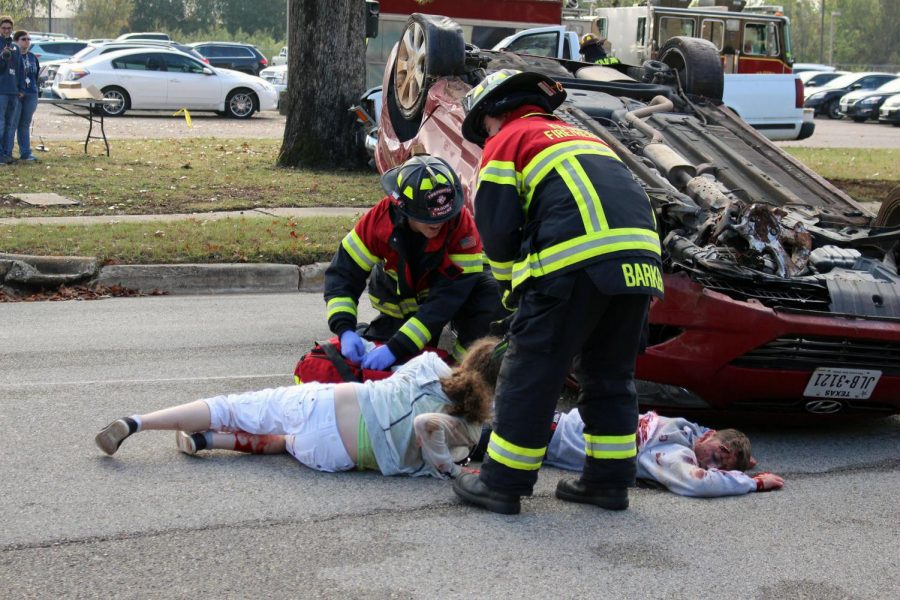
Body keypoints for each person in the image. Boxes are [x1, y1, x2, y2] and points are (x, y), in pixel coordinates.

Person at [453, 69, 664, 515]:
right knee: (610, 375)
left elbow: (496, 226)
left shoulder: (510, 140)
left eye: (483, 127)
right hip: (641, 264)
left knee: (532, 370)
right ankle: (607, 483)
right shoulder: (585, 138)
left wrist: (512, 293)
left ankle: (501, 483)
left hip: (576, 262)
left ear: (495, 111)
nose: (484, 136)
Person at [95, 337, 502, 479]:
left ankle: (138, 422)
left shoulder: (429, 364)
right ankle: (207, 441)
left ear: (468, 360)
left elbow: (422, 415)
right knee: (287, 442)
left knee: (229, 406)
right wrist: (446, 468)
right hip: (334, 453)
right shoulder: (468, 427)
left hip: (329, 399)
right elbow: (428, 426)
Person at [324, 154, 505, 371]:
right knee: (395, 367)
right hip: (401, 301)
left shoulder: (461, 226)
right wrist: (344, 329)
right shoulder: (379, 222)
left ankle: (462, 370)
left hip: (452, 298)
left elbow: (445, 301)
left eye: (442, 217)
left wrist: (398, 347)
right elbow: (344, 274)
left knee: (494, 294)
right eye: (429, 218)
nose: (438, 224)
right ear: (404, 208)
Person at [543, 409, 784, 497]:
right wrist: (754, 483)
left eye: (719, 468)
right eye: (717, 458)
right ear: (709, 437)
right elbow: (698, 484)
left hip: (555, 421)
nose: (710, 467)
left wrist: (740, 462)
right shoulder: (672, 451)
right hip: (545, 436)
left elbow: (710, 437)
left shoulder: (687, 431)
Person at [0, 15, 24, 165]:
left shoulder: (15, 47)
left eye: (9, 28)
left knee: (10, 124)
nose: (6, 30)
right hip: (1, 91)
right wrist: (2, 57)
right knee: (0, 123)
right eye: (3, 28)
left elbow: (20, 69)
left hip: (13, 91)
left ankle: (7, 153)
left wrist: (21, 88)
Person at [11, 30, 39, 162]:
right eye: (23, 39)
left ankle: (26, 153)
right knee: (12, 123)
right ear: (16, 41)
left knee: (24, 124)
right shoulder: (12, 55)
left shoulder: (32, 57)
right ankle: (7, 152)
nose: (27, 41)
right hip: (16, 94)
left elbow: (36, 74)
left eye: (28, 39)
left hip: (31, 93)